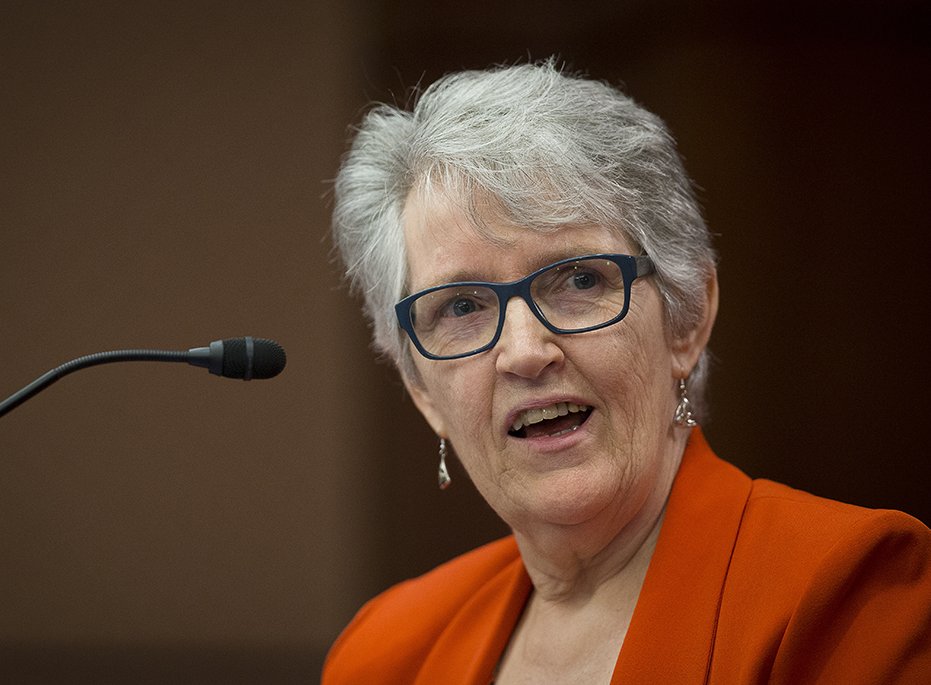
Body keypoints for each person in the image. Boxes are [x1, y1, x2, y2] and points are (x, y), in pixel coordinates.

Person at [321, 59, 931, 684]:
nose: (527, 351)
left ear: (686, 321)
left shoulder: (849, 596)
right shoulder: (386, 653)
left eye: (579, 279)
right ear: (420, 388)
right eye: (462, 307)